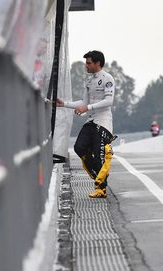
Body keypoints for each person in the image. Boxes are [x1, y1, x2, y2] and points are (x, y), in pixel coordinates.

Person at [56, 50, 115, 198]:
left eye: (88, 63)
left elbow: (109, 101)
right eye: (86, 63)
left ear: (98, 63)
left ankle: (101, 189)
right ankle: (98, 178)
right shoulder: (89, 81)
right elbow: (84, 103)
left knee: (98, 156)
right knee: (79, 147)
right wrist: (65, 104)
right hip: (91, 121)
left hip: (103, 122)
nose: (86, 66)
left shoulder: (108, 78)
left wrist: (87, 108)